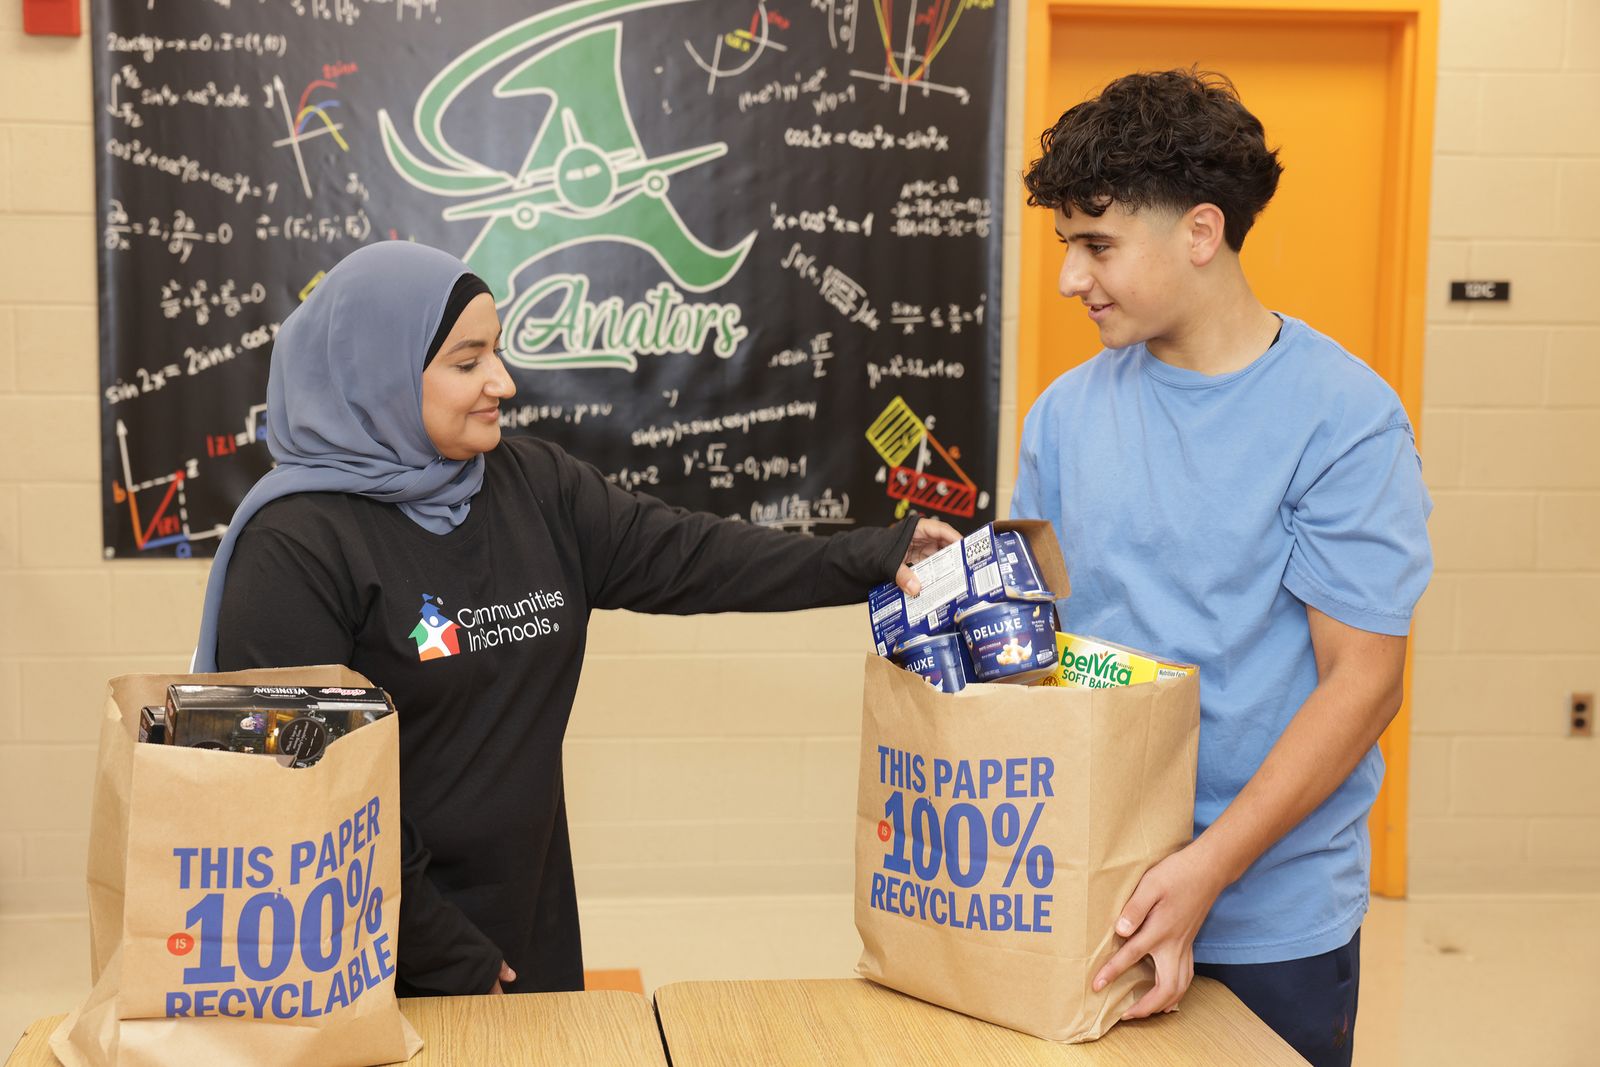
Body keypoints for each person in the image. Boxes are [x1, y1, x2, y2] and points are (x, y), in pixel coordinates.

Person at [191, 240, 959, 997]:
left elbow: (694, 554)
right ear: (377, 377)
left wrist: (873, 555)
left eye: (497, 352)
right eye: (467, 362)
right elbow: (305, 792)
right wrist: (442, 954)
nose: (503, 381)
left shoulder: (532, 485)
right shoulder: (291, 549)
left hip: (527, 927)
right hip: (370, 949)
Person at [1012, 70, 1431, 1066]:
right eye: (1066, 244)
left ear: (1201, 233)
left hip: (1270, 913)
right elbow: (1038, 636)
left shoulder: (1343, 420)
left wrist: (1206, 867)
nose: (1071, 278)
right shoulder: (1061, 415)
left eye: (1096, 245)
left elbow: (1364, 682)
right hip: (1090, 887)